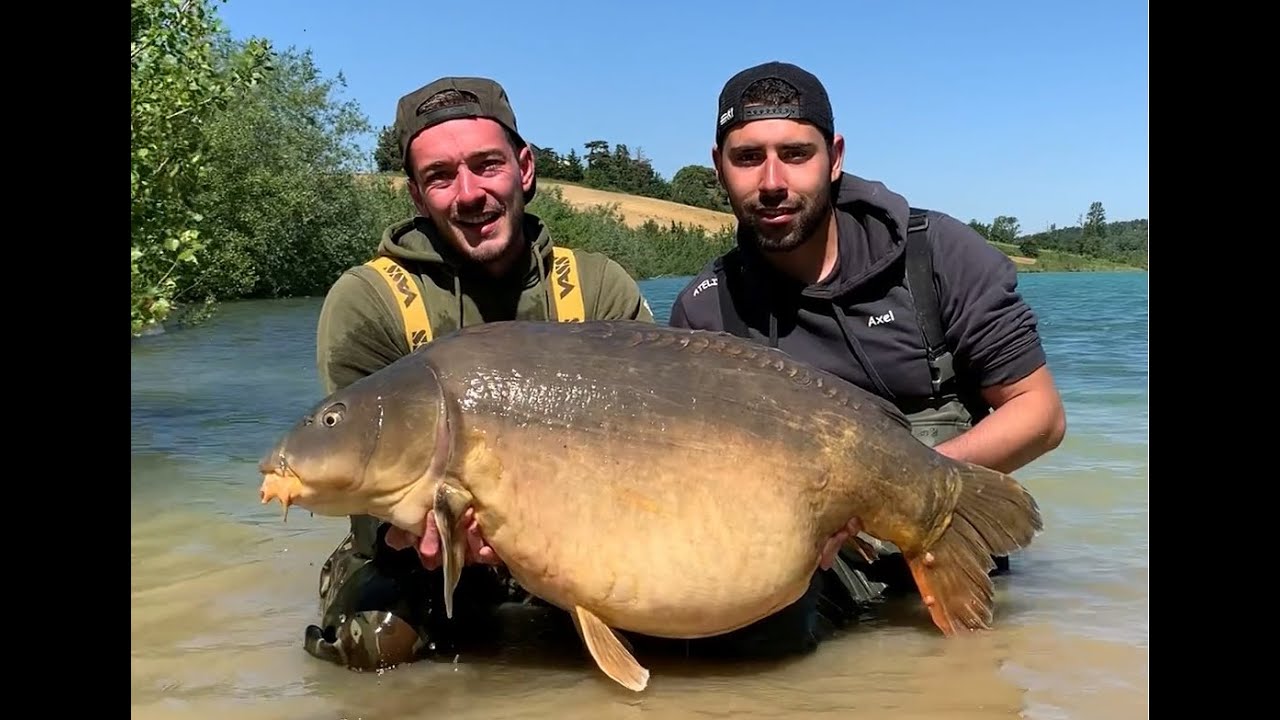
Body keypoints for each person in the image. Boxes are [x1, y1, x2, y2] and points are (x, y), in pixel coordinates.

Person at [669, 61, 1067, 638]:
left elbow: (1041, 415)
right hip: (812, 558)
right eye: (748, 157)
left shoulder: (937, 255)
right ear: (719, 168)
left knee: (972, 677)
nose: (773, 180)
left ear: (835, 158)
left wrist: (888, 486)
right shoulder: (705, 310)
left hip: (943, 533)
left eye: (797, 154)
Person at [303, 76, 656, 671]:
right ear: (416, 196)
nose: (469, 193)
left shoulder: (597, 287)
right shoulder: (369, 300)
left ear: (524, 168)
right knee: (375, 646)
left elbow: (654, 451)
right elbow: (355, 479)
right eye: (440, 176)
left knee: (698, 632)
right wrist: (403, 536)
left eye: (487, 165)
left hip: (586, 531)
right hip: (421, 551)